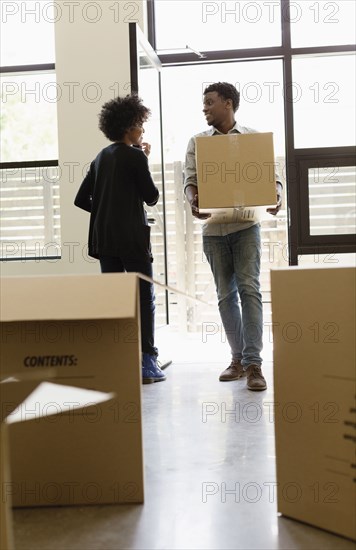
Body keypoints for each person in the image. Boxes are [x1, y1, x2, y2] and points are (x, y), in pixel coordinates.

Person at [184, 82, 282, 391]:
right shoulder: (197, 142)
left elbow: (274, 178)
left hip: (245, 228)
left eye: (210, 102)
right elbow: (190, 180)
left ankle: (254, 365)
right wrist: (193, 202)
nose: (205, 108)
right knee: (226, 295)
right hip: (213, 231)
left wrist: (276, 197)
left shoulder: (253, 139)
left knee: (249, 291)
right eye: (204, 103)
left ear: (228, 103)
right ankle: (237, 360)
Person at [74, 94, 166, 384]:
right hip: (132, 240)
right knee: (143, 297)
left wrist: (105, 211)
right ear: (129, 128)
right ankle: (148, 361)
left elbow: (80, 199)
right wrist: (145, 159)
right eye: (140, 125)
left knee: (114, 299)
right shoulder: (136, 155)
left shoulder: (99, 158)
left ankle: (119, 360)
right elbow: (151, 197)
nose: (142, 131)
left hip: (104, 241)